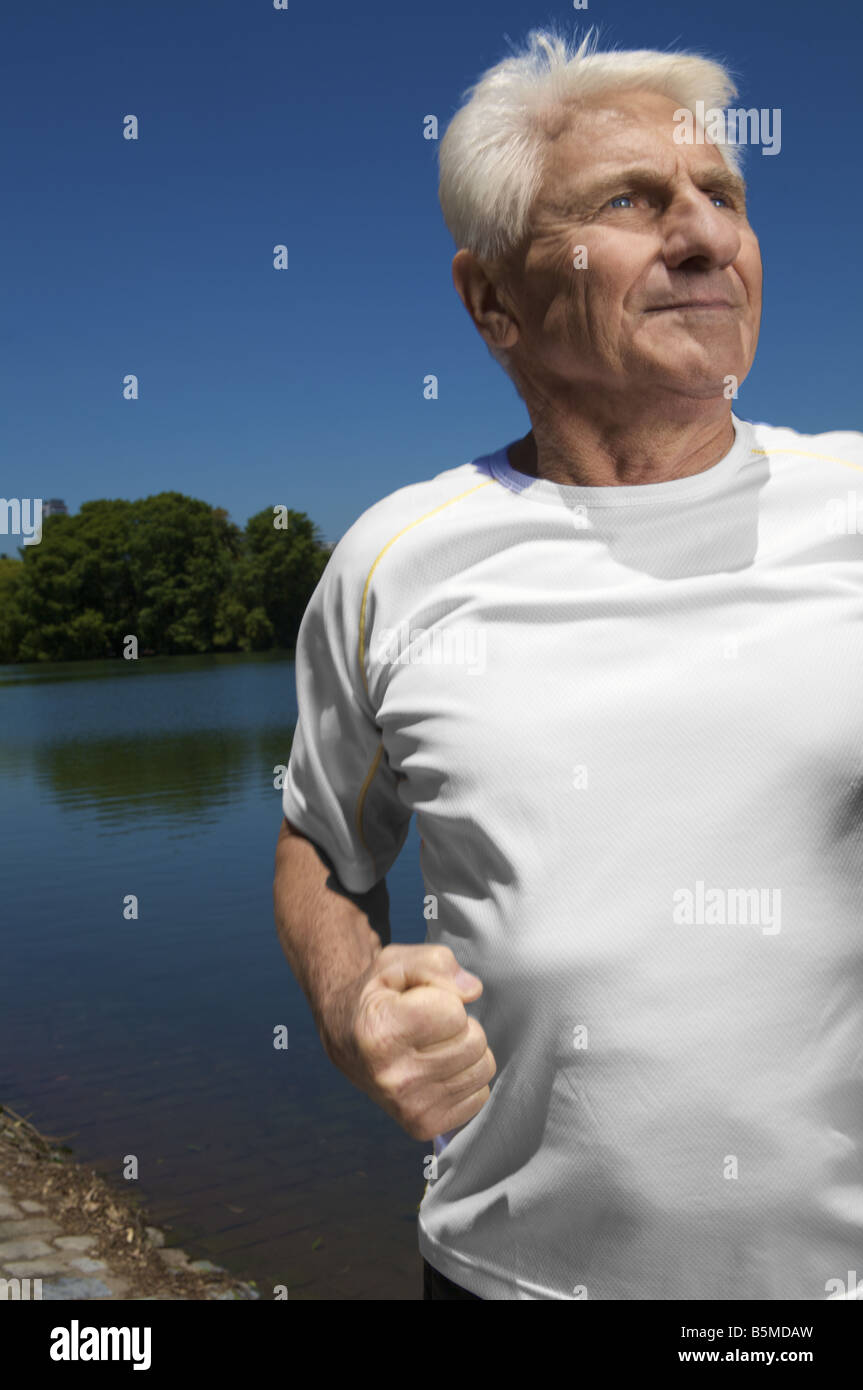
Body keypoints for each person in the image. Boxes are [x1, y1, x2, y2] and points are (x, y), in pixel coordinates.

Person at [273, 28, 863, 1300]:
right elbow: (323, 844)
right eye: (629, 202)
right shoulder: (393, 561)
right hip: (504, 1280)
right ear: (491, 301)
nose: (705, 237)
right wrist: (351, 1003)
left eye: (724, 197)